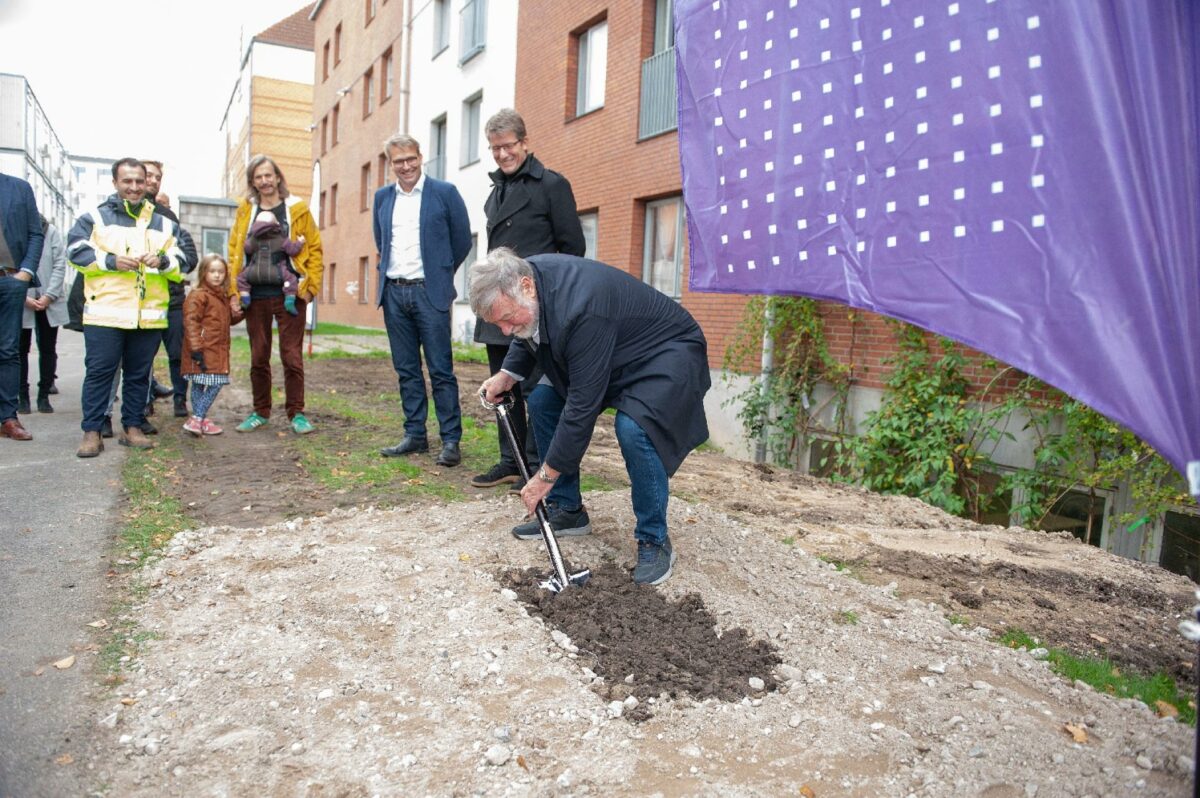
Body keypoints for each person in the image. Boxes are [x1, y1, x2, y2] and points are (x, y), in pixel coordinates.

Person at [475, 248, 711, 586]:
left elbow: (582, 406)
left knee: (634, 428)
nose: (506, 330)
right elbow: (529, 331)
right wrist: (508, 374)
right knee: (543, 399)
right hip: (612, 349)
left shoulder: (582, 307)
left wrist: (545, 475)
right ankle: (568, 511)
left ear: (526, 287)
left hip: (664, 352)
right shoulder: (529, 284)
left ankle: (654, 540)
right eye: (498, 323)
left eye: (507, 319)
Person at [471, 108, 586, 493]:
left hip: (533, 308)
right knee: (504, 389)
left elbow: (573, 249)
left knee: (538, 391)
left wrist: (551, 301)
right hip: (497, 306)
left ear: (524, 142)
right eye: (494, 148)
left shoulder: (552, 185)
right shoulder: (494, 194)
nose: (502, 155)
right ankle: (511, 460)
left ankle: (536, 466)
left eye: (508, 146)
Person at [67, 157, 186, 457]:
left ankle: (132, 427)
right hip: (105, 315)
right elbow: (74, 250)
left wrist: (163, 261)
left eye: (139, 181)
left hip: (147, 317)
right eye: (127, 181)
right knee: (99, 374)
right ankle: (92, 431)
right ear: (115, 183)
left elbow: (184, 261)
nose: (134, 187)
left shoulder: (165, 222)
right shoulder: (94, 217)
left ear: (147, 183)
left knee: (138, 375)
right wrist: (111, 261)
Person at [373, 133, 472, 467]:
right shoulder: (382, 198)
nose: (406, 166)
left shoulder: (444, 193)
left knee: (441, 370)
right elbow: (380, 240)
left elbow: (461, 240)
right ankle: (415, 435)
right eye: (399, 161)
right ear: (391, 165)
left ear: (420, 157)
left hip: (430, 293)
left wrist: (441, 272)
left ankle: (450, 440)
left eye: (411, 158)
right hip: (394, 293)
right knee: (406, 370)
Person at [226, 155, 323, 435]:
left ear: (278, 177)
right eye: (258, 177)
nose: (264, 181)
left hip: (290, 295)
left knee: (292, 356)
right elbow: (235, 248)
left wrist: (311, 287)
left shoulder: (297, 209)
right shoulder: (246, 210)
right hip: (254, 295)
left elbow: (314, 249)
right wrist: (235, 291)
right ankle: (260, 411)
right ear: (253, 182)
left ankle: (297, 413)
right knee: (258, 356)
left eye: (268, 175)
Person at [142, 161, 198, 419]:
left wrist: (164, 259)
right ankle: (144, 402)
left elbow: (190, 258)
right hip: (143, 302)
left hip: (173, 301)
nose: (153, 181)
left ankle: (179, 400)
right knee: (142, 358)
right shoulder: (122, 221)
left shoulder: (172, 224)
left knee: (177, 354)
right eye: (148, 176)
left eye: (158, 177)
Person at [0, 171, 44, 442]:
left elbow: (34, 234)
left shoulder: (18, 188)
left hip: (10, 280)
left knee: (8, 350)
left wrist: (25, 274)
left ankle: (7, 416)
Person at [182, 254, 241, 436]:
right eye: (212, 271)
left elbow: (228, 320)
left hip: (217, 349)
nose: (217, 275)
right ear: (203, 273)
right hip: (202, 350)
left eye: (221, 272)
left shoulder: (221, 297)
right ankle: (198, 418)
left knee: (202, 385)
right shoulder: (198, 295)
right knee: (211, 383)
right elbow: (191, 322)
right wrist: (196, 349)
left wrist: (240, 310)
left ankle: (200, 419)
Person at [19, 215, 65, 414]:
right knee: (19, 351)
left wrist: (49, 295)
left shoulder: (51, 232)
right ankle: (22, 397)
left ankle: (44, 394)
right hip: (22, 299)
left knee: (48, 348)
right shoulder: (14, 231)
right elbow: (7, 265)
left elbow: (60, 264)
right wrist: (22, 295)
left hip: (49, 301)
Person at [238, 211, 303, 314]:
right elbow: (293, 251)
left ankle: (245, 299)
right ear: (276, 224)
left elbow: (247, 249)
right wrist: (300, 243)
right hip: (277, 272)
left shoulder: (253, 239)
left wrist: (249, 237)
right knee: (292, 279)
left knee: (241, 279)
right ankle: (289, 301)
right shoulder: (282, 239)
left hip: (254, 272)